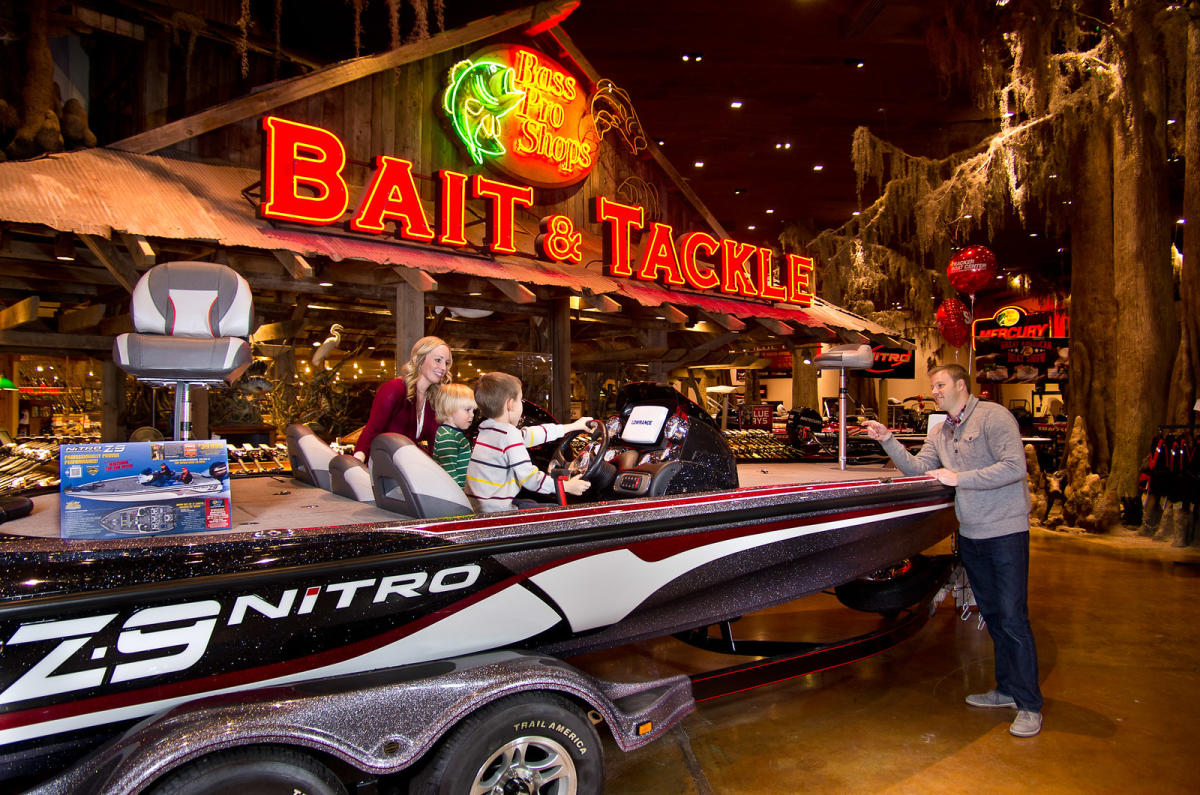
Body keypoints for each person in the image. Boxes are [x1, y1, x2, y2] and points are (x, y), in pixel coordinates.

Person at [862, 363, 1043, 738]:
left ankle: (1029, 705)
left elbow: (1015, 467)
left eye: (941, 385)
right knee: (993, 615)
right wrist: (887, 439)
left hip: (1006, 532)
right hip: (973, 535)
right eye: (933, 387)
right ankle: (1006, 690)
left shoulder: (995, 417)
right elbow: (918, 469)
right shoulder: (943, 430)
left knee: (1012, 617)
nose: (936, 392)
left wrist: (960, 478)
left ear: (962, 384)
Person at [466, 371, 592, 512]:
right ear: (510, 404)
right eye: (520, 400)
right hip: (497, 514)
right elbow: (530, 478)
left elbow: (531, 435)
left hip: (483, 509)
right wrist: (566, 486)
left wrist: (574, 426)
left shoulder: (488, 430)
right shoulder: (508, 434)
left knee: (530, 502)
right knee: (557, 512)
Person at [354, 336, 453, 460]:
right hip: (383, 467)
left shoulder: (433, 400)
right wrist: (356, 464)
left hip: (407, 469)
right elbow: (371, 432)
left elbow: (435, 444)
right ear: (418, 360)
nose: (444, 368)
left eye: (447, 363)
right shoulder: (393, 389)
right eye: (438, 360)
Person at [432, 382, 476, 488]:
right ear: (448, 410)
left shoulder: (454, 434)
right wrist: (461, 497)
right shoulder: (447, 437)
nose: (472, 415)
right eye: (467, 410)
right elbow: (449, 474)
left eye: (473, 410)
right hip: (455, 496)